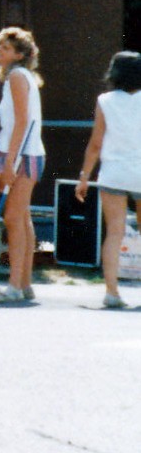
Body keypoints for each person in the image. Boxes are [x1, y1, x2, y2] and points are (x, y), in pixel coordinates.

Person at [74, 51, 141, 309]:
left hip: (114, 172)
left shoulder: (105, 100)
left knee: (114, 232)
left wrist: (84, 177)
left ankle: (112, 292)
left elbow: (95, 144)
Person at [0, 26, 45, 304]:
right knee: (22, 218)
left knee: (13, 218)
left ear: (19, 55)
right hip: (21, 153)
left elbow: (22, 121)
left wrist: (9, 163)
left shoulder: (16, 76)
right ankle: (24, 284)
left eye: (6, 48)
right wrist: (4, 163)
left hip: (23, 155)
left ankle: (15, 285)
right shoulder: (21, 76)